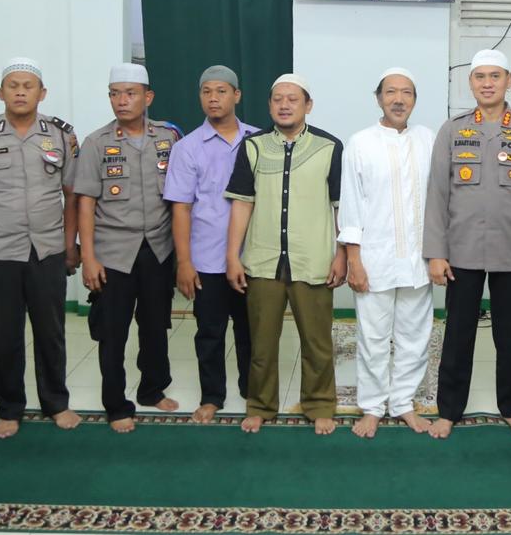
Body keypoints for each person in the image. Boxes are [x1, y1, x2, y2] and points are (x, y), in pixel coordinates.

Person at [424, 49, 511, 440]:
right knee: (458, 334)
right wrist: (435, 252)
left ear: (507, 81)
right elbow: (436, 194)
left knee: (509, 335)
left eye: (494, 76)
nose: (487, 83)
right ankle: (448, 411)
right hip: (461, 251)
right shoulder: (452, 130)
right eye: (479, 76)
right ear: (471, 83)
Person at [0, 58, 81, 438]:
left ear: (42, 93)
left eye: (29, 85)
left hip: (47, 249)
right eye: (13, 85)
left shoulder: (61, 136)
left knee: (51, 332)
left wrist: (70, 244)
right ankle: (9, 408)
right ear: (1, 93)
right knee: (4, 334)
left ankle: (56, 403)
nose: (21, 91)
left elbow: (72, 194)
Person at [225, 73, 345, 436]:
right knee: (261, 342)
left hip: (314, 260)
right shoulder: (254, 146)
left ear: (308, 105)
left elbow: (341, 207)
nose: (284, 105)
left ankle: (320, 404)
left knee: (318, 343)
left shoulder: (329, 147)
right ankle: (261, 406)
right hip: (263, 261)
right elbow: (242, 205)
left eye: (292, 99)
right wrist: (233, 255)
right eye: (277, 99)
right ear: (269, 105)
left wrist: (342, 255)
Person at [74, 63, 181, 434]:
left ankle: (153, 389)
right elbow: (84, 203)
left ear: (147, 97)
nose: (122, 101)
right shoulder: (96, 143)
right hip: (113, 252)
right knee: (112, 332)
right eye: (115, 94)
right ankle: (116, 404)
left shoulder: (168, 139)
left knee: (155, 326)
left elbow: (180, 200)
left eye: (130, 93)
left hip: (158, 249)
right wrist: (88, 257)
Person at [338, 67, 434, 438]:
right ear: (378, 98)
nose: (398, 99)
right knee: (373, 338)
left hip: (419, 260)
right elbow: (351, 206)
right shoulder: (360, 142)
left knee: (415, 336)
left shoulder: (428, 139)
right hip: (374, 259)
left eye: (406, 92)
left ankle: (405, 403)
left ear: (414, 100)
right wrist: (354, 260)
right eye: (391, 92)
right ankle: (374, 407)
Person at [165, 65, 257, 423]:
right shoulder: (187, 148)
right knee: (210, 332)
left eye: (221, 91)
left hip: (252, 258)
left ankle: (253, 393)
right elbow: (181, 208)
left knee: (252, 332)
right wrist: (183, 262)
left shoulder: (258, 141)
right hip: (207, 259)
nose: (213, 98)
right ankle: (212, 396)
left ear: (237, 95)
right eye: (206, 91)